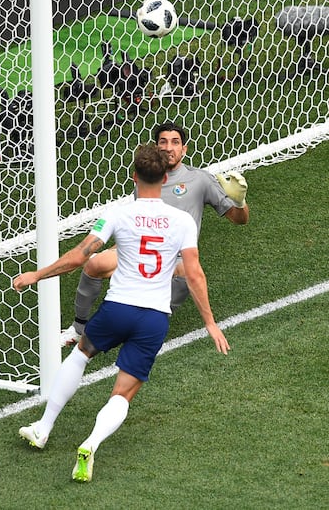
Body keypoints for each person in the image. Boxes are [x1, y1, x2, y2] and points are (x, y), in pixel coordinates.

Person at [14, 143, 230, 483]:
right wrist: (210, 323)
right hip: (154, 317)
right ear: (164, 178)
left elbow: (78, 257)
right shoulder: (183, 220)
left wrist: (35, 276)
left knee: (82, 352)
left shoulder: (117, 213)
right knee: (123, 392)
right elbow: (194, 273)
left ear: (133, 176)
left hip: (117, 308)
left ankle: (43, 427)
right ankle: (91, 443)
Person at [60, 122, 249, 346]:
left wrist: (239, 201)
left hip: (174, 257)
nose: (169, 147)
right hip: (139, 248)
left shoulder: (199, 179)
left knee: (182, 277)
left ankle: (147, 319)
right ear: (156, 147)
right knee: (94, 265)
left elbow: (239, 219)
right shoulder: (145, 177)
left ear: (184, 149)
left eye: (175, 142)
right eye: (163, 142)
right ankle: (79, 328)